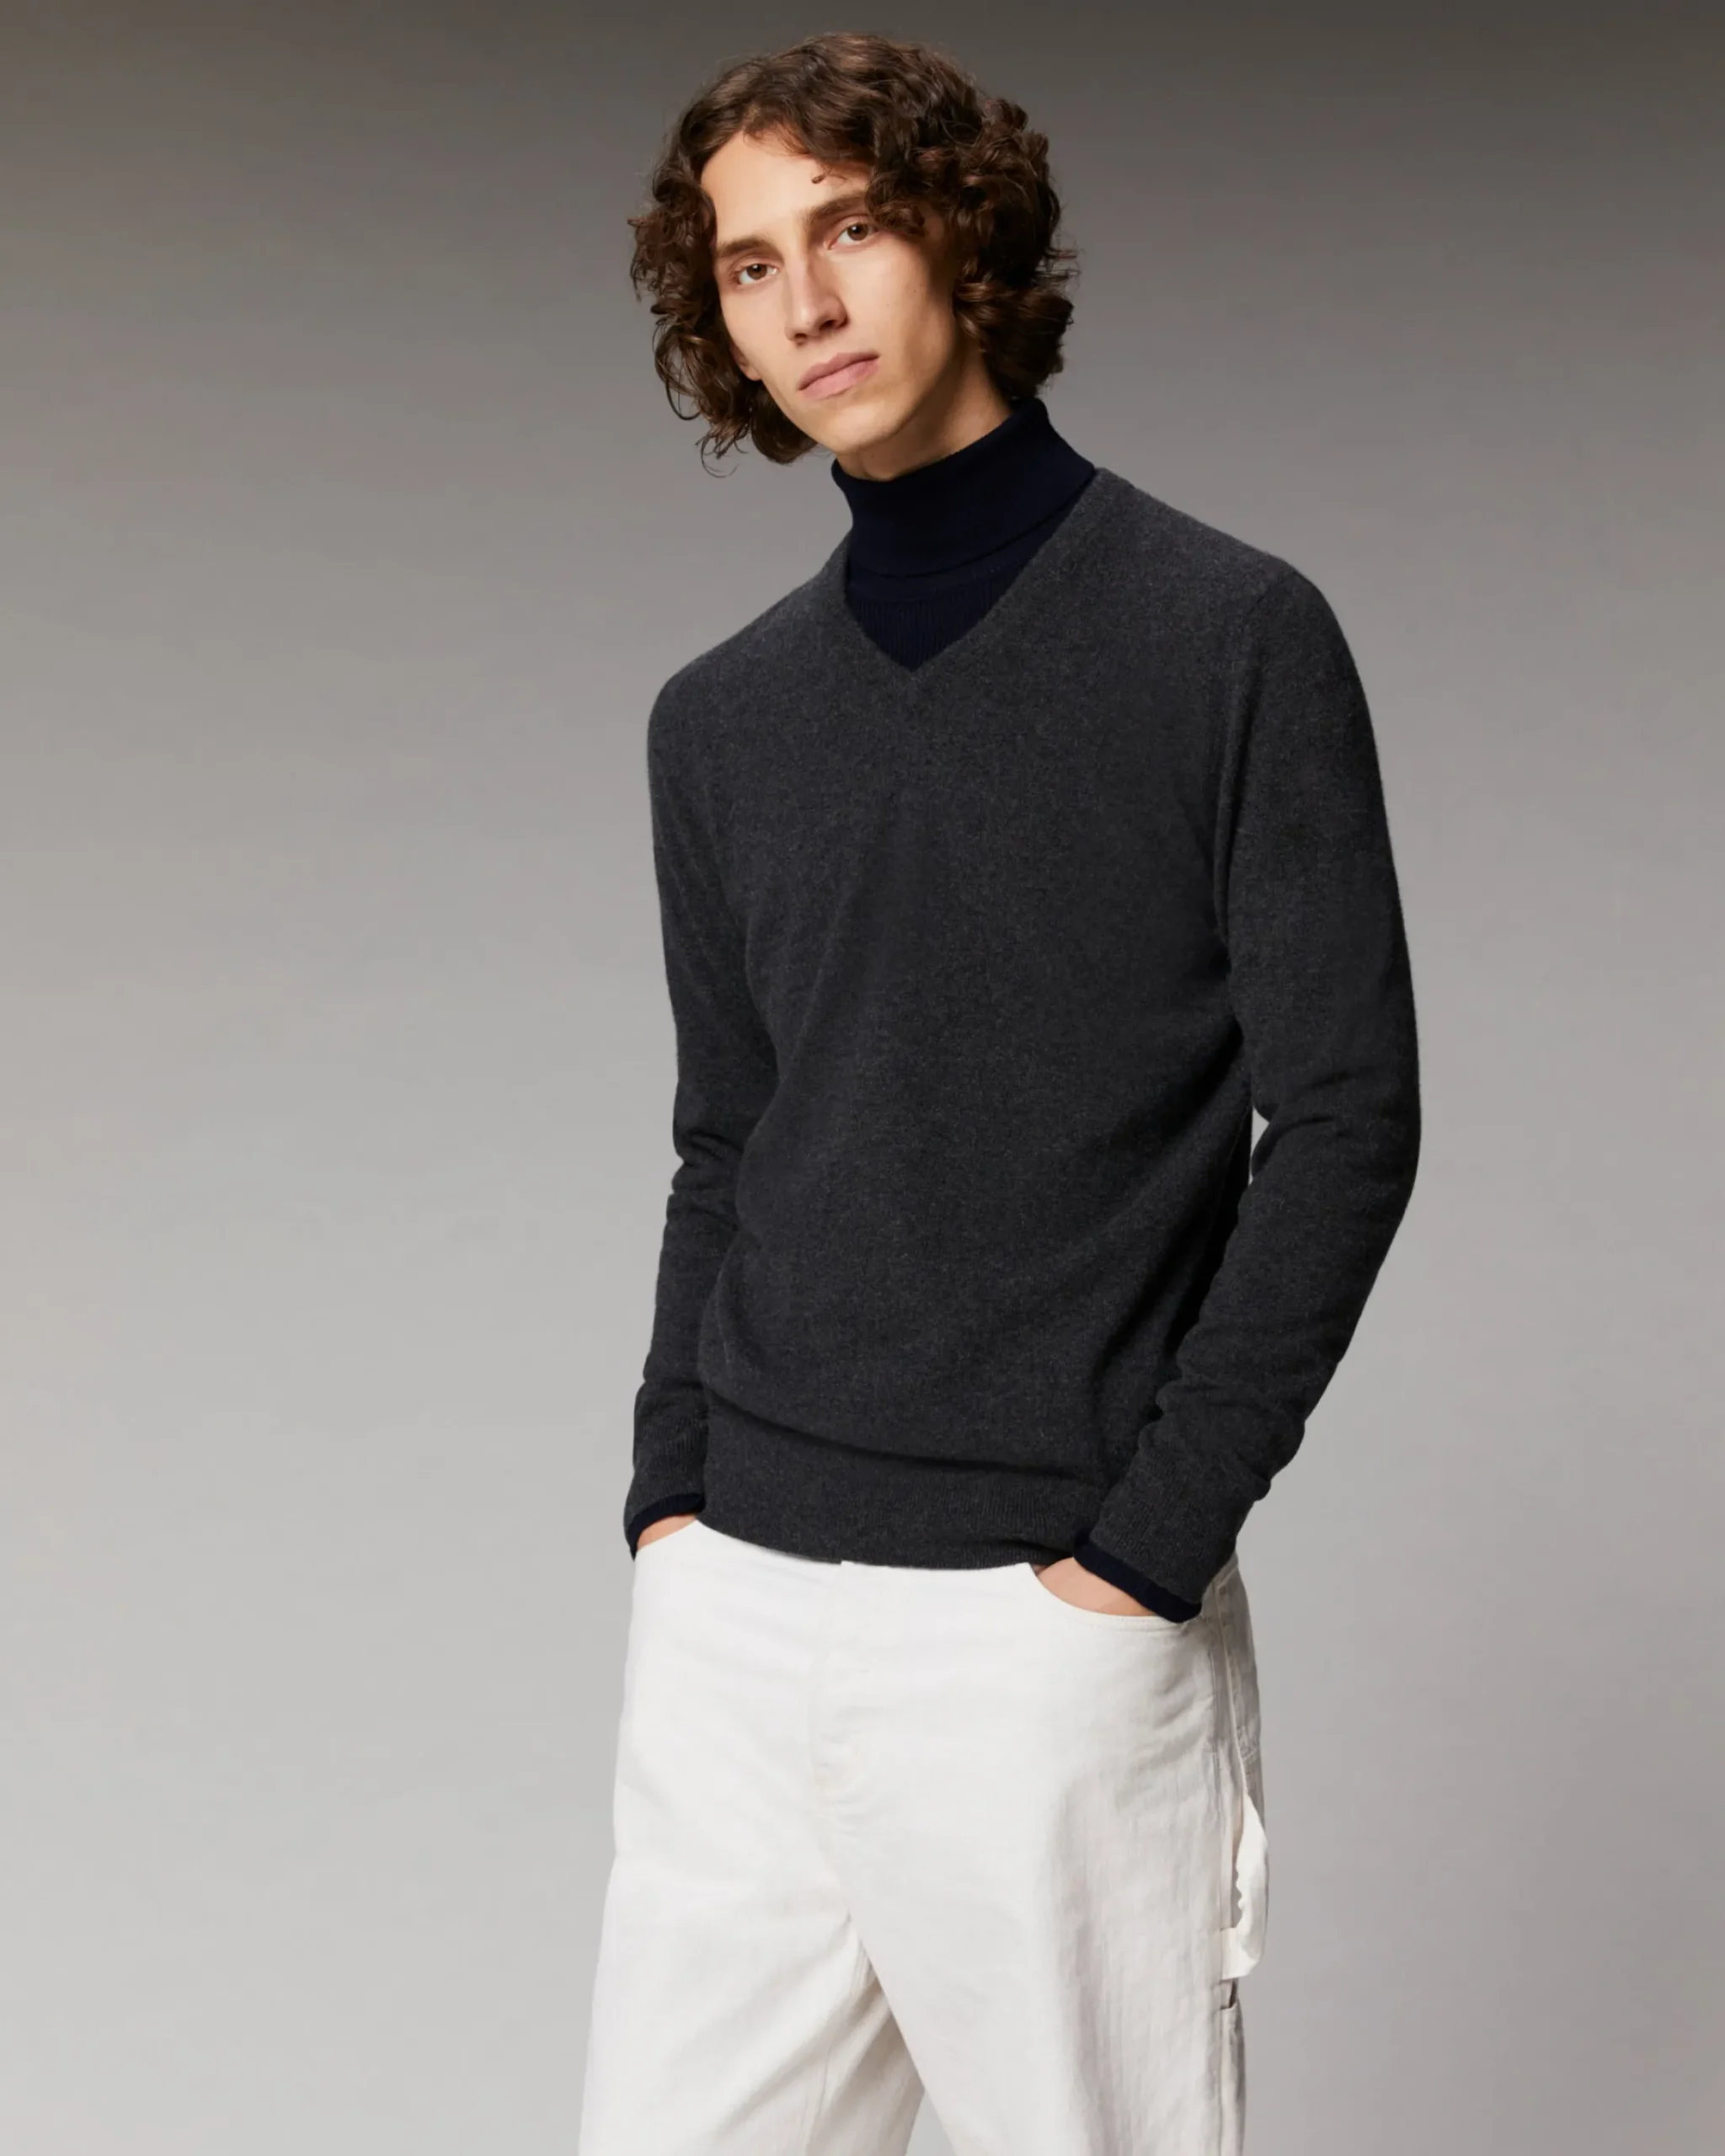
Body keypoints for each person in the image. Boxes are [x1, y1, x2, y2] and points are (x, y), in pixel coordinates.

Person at [579, 30, 1421, 2156]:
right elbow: (727, 1135)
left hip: (1045, 1626)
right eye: (748, 265)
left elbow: (1346, 1116)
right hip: (736, 1620)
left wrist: (1144, 1551)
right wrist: (672, 1495)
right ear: (718, 323)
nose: (807, 303)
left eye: (850, 227)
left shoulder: (1228, 637)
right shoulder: (719, 723)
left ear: (962, 234)